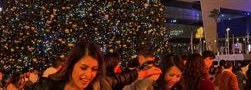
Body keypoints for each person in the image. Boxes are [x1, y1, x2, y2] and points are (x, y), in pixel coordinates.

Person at [26, 40, 161, 90]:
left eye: (94, 69)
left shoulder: (99, 84)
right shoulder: (47, 86)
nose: (89, 74)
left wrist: (144, 73)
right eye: (83, 68)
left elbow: (120, 78)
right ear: (72, 65)